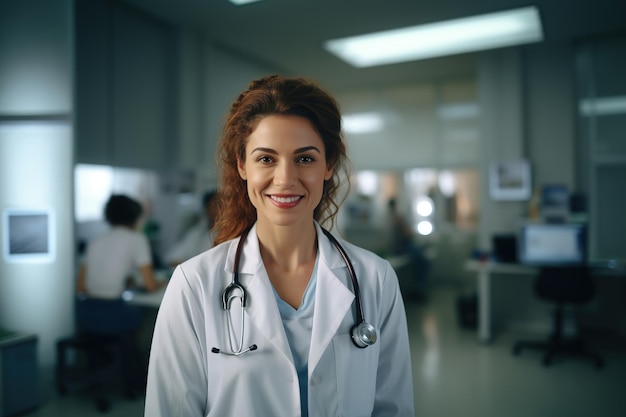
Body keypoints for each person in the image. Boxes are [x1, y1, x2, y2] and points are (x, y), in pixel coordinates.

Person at [145, 75, 414, 416]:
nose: (285, 179)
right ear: (242, 166)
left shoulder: (375, 278)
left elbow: (393, 407)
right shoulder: (194, 285)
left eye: (304, 159)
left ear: (328, 165)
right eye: (266, 159)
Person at [76, 194, 164, 398]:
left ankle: (117, 370)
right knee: (148, 323)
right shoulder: (137, 239)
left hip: (86, 313)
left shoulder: (96, 241)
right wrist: (164, 280)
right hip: (114, 314)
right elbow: (150, 285)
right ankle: (138, 379)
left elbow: (80, 286)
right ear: (136, 217)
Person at [165, 190, 217, 266]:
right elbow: (172, 258)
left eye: (219, 205)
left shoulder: (229, 233)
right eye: (212, 206)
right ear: (205, 209)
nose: (216, 210)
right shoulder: (198, 232)